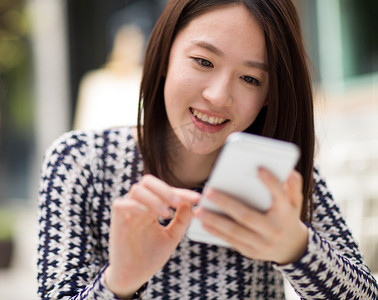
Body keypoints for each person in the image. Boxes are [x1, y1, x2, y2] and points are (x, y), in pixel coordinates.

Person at [37, 0, 378, 299]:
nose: (218, 96)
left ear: (269, 97)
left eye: (250, 79)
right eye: (203, 61)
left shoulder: (275, 178)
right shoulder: (80, 163)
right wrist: (119, 282)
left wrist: (297, 249)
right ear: (164, 52)